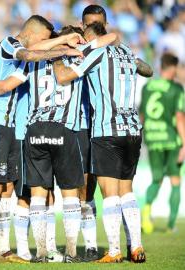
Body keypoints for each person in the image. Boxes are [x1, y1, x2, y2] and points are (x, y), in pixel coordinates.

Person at [0, 24, 117, 263]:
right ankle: (71, 252)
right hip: (65, 129)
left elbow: (20, 69)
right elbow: (110, 38)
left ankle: (41, 252)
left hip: (34, 130)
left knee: (36, 195)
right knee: (70, 194)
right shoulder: (78, 57)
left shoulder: (34, 65)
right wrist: (80, 45)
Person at [53, 22, 153, 263]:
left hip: (107, 130)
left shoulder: (96, 53)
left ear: (92, 37)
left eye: (86, 39)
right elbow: (148, 70)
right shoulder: (128, 52)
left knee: (110, 194)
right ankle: (137, 247)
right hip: (132, 131)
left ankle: (115, 251)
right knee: (127, 192)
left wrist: (57, 57)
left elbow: (64, 76)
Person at [140, 53, 185, 234]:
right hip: (171, 140)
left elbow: (142, 115)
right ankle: (170, 225)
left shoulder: (148, 86)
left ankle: (146, 210)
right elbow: (179, 117)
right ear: (173, 68)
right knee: (175, 180)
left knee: (156, 179)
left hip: (152, 138)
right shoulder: (176, 88)